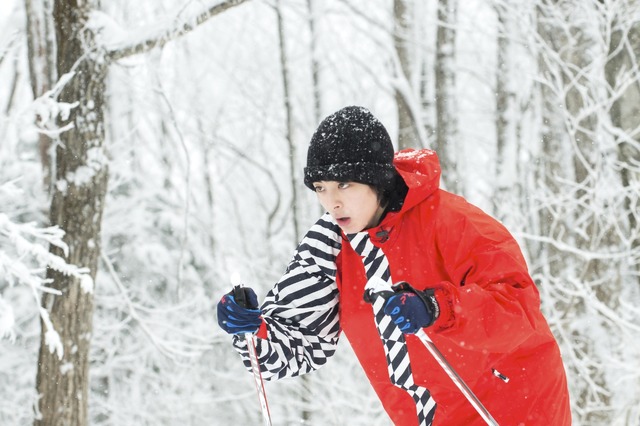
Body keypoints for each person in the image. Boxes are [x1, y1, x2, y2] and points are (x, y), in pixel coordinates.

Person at [217, 106, 572, 425]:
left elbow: (517, 307)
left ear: (377, 180)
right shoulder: (331, 242)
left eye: (345, 184)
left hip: (514, 406)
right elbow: (300, 346)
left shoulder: (453, 222)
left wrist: (437, 307)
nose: (332, 201)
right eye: (321, 187)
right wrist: (251, 328)